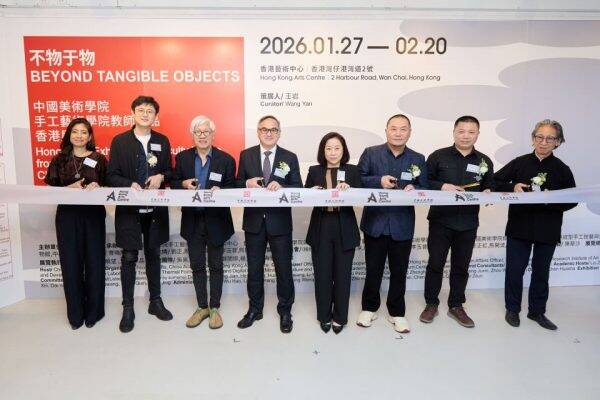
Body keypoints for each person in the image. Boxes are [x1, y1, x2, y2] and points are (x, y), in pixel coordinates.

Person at [495, 119, 576, 330]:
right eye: (539, 137)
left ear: (558, 142)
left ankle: (537, 312)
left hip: (548, 228)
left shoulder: (562, 169)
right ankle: (512, 309)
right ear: (533, 138)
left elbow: (573, 199)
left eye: (550, 138)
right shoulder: (520, 162)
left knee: (541, 272)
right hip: (519, 226)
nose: (543, 142)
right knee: (515, 271)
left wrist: (552, 200)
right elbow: (494, 182)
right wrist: (513, 187)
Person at [419, 116, 494, 328]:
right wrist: (442, 186)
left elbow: (490, 185)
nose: (465, 136)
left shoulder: (484, 161)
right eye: (461, 131)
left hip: (468, 222)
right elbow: (423, 182)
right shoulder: (438, 156)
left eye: (471, 132)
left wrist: (489, 191)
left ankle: (456, 305)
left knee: (461, 266)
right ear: (454, 132)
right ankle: (431, 303)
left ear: (477, 134)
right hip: (441, 220)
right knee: (435, 264)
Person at [107, 95, 173, 333]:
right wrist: (129, 184)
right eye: (141, 110)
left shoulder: (162, 141)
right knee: (129, 257)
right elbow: (111, 175)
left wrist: (161, 176)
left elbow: (171, 172)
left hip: (155, 210)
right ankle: (128, 307)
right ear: (133, 113)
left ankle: (155, 301)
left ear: (156, 116)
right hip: (129, 211)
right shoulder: (120, 141)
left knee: (154, 254)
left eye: (150, 111)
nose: (145, 114)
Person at [356, 114, 427, 333]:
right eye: (393, 128)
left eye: (403, 129)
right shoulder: (371, 153)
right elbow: (357, 179)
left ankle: (397, 313)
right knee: (373, 269)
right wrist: (378, 181)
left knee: (399, 271)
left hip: (402, 223)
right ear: (386, 130)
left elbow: (424, 185)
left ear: (410, 132)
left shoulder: (418, 158)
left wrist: (415, 188)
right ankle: (369, 308)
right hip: (375, 222)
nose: (398, 133)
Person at [236, 115, 302, 333]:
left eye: (273, 129)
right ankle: (255, 309)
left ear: (279, 133)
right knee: (254, 269)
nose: (269, 133)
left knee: (284, 269)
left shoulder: (289, 157)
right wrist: (247, 183)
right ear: (258, 131)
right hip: (253, 222)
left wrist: (282, 187)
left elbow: (299, 187)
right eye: (264, 129)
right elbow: (236, 183)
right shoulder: (246, 155)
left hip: (280, 223)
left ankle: (285, 311)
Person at [171, 116, 235, 330]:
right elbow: (173, 182)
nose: (202, 136)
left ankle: (214, 307)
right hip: (192, 220)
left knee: (216, 265)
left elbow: (234, 187)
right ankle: (201, 307)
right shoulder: (182, 158)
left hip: (217, 221)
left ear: (213, 135)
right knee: (197, 265)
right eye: (198, 132)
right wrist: (183, 183)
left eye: (206, 131)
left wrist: (222, 191)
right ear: (192, 135)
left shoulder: (226, 159)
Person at [45, 118, 107, 330]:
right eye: (75, 131)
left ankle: (94, 313)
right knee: (70, 264)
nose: (79, 136)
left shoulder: (99, 159)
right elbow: (50, 189)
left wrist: (99, 185)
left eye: (84, 132)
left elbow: (110, 185)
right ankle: (75, 315)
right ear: (69, 135)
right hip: (67, 216)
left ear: (90, 136)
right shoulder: (59, 159)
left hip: (93, 216)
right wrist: (68, 188)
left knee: (95, 262)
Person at [305, 132, 361, 334]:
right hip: (321, 224)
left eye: (337, 148)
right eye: (328, 148)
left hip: (344, 224)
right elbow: (304, 196)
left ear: (343, 150)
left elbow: (362, 196)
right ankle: (324, 316)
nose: (333, 152)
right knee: (322, 274)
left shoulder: (353, 171)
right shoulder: (314, 170)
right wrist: (312, 191)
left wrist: (350, 190)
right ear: (323, 151)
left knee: (343, 275)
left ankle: (340, 317)